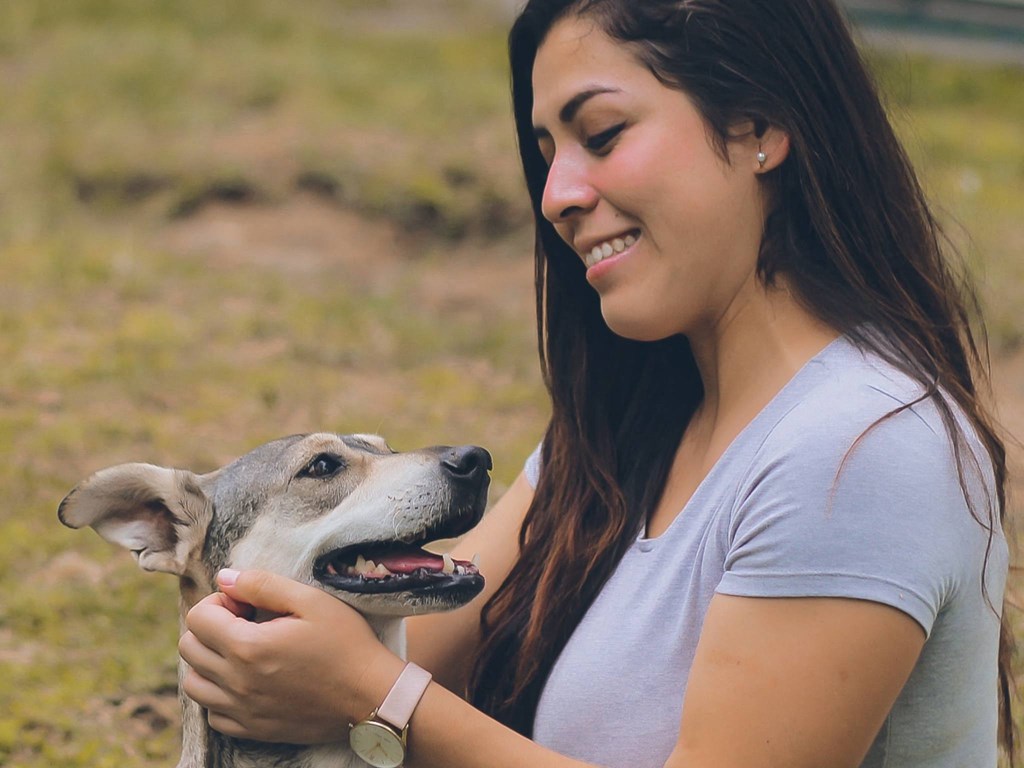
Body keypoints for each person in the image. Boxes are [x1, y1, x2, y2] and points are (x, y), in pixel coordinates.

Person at [178, 1, 1017, 766]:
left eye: (603, 133)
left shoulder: (863, 450)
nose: (556, 195)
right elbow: (416, 634)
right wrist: (257, 623)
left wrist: (380, 702)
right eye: (547, 154)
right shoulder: (636, 421)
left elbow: (382, 681)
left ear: (760, 123)